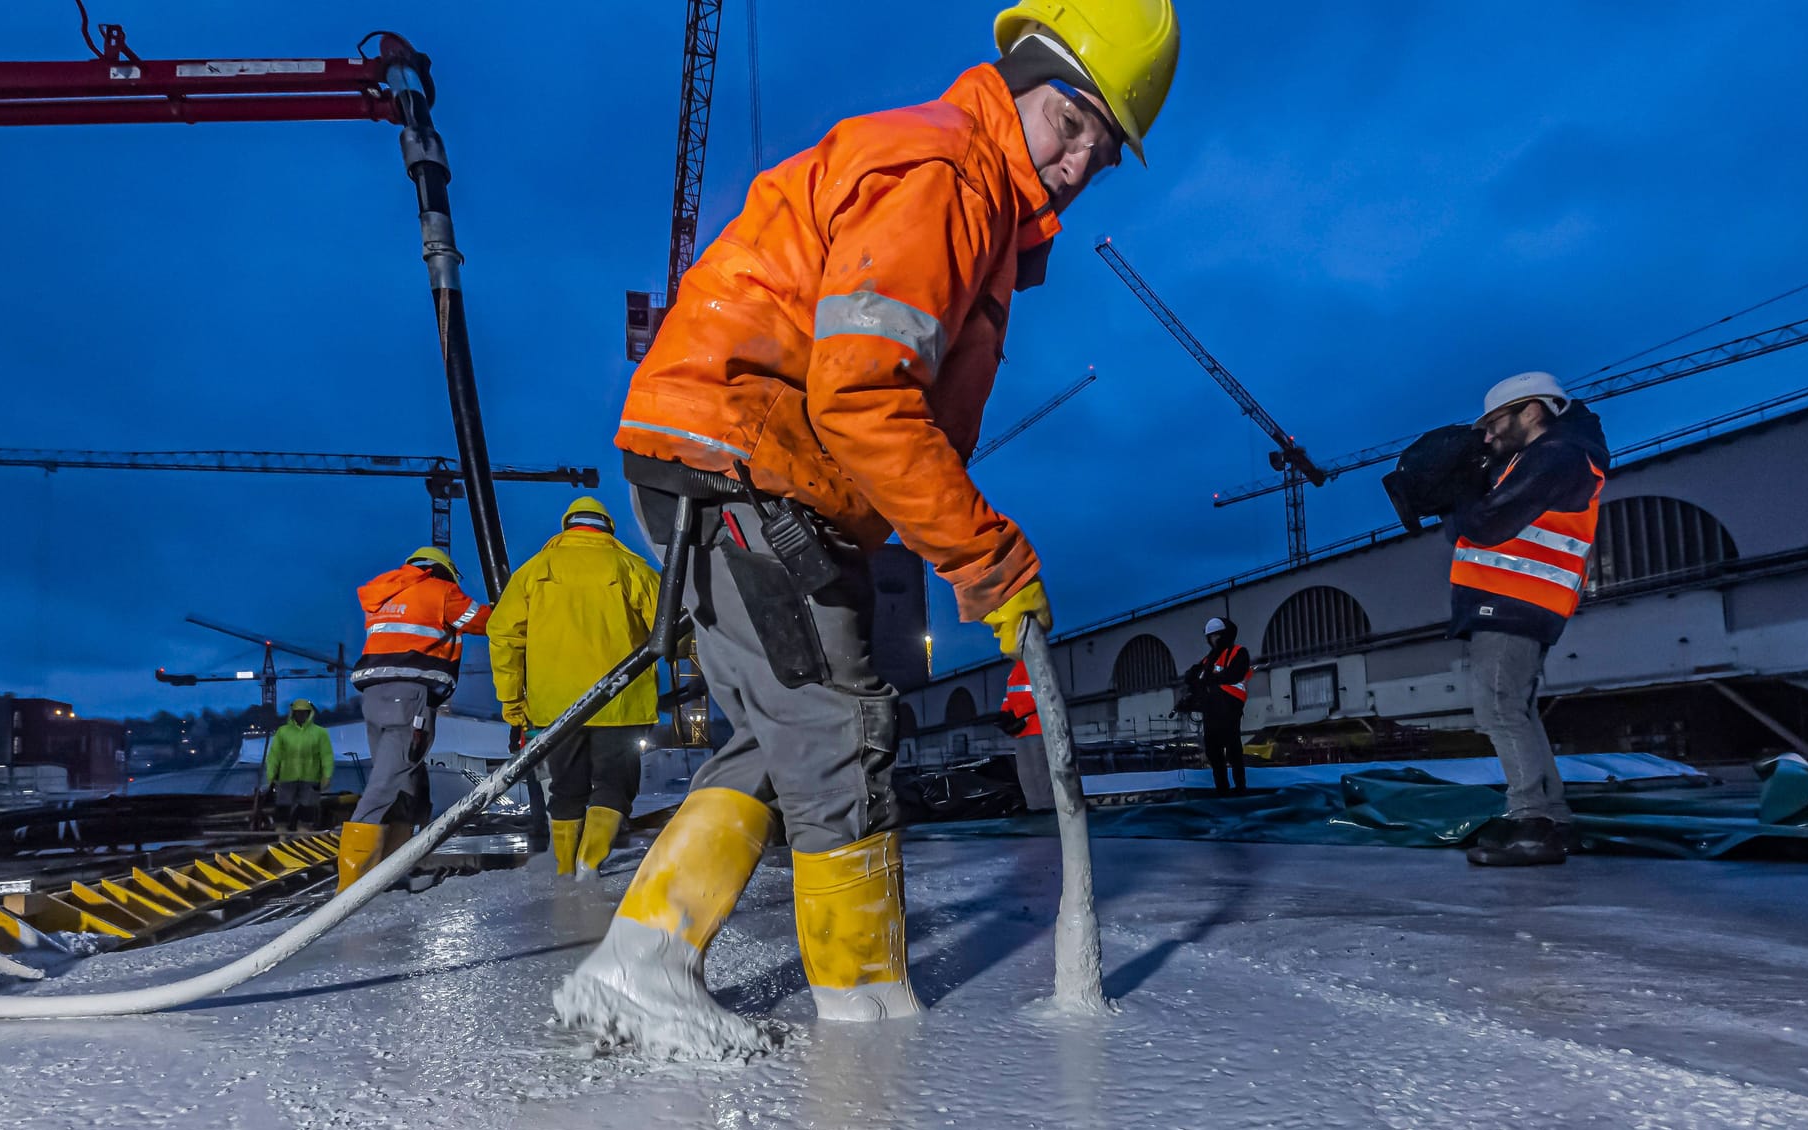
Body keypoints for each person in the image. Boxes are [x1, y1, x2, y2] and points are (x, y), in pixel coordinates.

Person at [556, 0, 1180, 1050]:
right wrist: (983, 554)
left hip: (744, 459)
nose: (1079, 160)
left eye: (1103, 149)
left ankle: (642, 961)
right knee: (839, 726)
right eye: (1071, 122)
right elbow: (862, 393)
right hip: (748, 457)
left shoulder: (978, 199)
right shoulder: (948, 177)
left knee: (776, 731)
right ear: (1022, 80)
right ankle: (872, 1024)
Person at [1445, 371, 1609, 867]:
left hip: (1513, 604)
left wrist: (1458, 491)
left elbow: (1485, 524)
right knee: (1517, 710)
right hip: (1522, 604)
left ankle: (1530, 824)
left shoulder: (1555, 457)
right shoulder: (1545, 459)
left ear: (1532, 410)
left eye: (1496, 423)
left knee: (1497, 709)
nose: (1489, 436)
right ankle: (1555, 820)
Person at [489, 497, 661, 879]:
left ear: (567, 526)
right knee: (614, 786)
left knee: (566, 789)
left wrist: (512, 700)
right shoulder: (633, 568)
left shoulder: (533, 572)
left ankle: (565, 866)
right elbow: (670, 628)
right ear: (608, 529)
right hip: (622, 701)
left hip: (556, 708)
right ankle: (591, 862)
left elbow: (503, 634)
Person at [336, 546, 491, 891]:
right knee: (385, 785)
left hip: (376, 696)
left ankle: (392, 870)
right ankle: (352, 886)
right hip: (409, 697)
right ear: (444, 571)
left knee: (408, 784)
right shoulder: (440, 591)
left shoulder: (386, 594)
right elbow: (482, 621)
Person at [1182, 617, 1250, 792]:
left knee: (1233, 748)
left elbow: (1234, 675)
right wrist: (1191, 688)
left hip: (1230, 707)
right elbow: (1196, 676)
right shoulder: (1208, 659)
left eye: (1217, 636)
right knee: (1213, 750)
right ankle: (1222, 788)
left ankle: (1240, 787)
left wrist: (1209, 680)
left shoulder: (1238, 652)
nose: (1214, 640)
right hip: (1212, 709)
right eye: (1211, 637)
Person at [264, 698, 335, 833]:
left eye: (304, 712)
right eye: (298, 712)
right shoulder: (283, 732)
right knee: (282, 808)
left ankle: (303, 835)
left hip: (310, 777)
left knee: (307, 810)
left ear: (310, 713)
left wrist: (327, 776)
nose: (301, 715)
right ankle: (281, 836)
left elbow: (326, 756)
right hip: (287, 777)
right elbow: (274, 755)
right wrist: (271, 774)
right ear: (293, 713)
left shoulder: (320, 733)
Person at [996, 658, 1055, 811]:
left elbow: (1040, 694)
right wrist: (1004, 712)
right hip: (1021, 730)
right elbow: (1009, 696)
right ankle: (1034, 807)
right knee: (1026, 774)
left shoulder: (1035, 665)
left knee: (1041, 772)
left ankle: (1048, 808)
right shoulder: (1015, 671)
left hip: (1036, 727)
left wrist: (1015, 713)